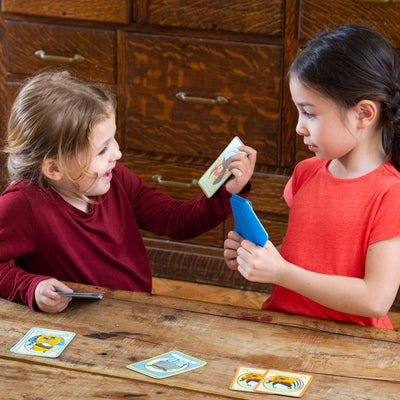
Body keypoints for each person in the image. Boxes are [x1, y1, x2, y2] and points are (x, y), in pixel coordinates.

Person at [0, 70, 257, 314]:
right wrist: (31, 288)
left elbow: (177, 221)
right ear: (54, 168)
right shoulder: (21, 204)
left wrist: (227, 192)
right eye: (102, 150)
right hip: (71, 326)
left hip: (135, 312)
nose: (117, 154)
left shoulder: (116, 178)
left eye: (113, 139)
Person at [224, 24, 400, 329]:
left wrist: (280, 272)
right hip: (283, 327)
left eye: (310, 113)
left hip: (353, 347)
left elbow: (375, 299)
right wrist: (259, 258)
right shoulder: (306, 173)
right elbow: (313, 260)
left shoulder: (391, 193)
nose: (298, 127)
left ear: (364, 114)